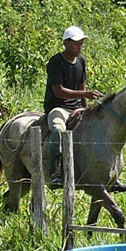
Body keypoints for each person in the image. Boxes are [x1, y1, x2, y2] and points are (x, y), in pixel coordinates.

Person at [44, 26, 102, 183]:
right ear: (66, 43)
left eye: (81, 43)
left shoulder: (81, 61)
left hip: (77, 108)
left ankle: (104, 173)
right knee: (57, 129)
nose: (80, 47)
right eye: (76, 43)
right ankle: (55, 170)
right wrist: (84, 94)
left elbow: (81, 86)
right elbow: (59, 91)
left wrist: (86, 108)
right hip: (59, 107)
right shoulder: (56, 62)